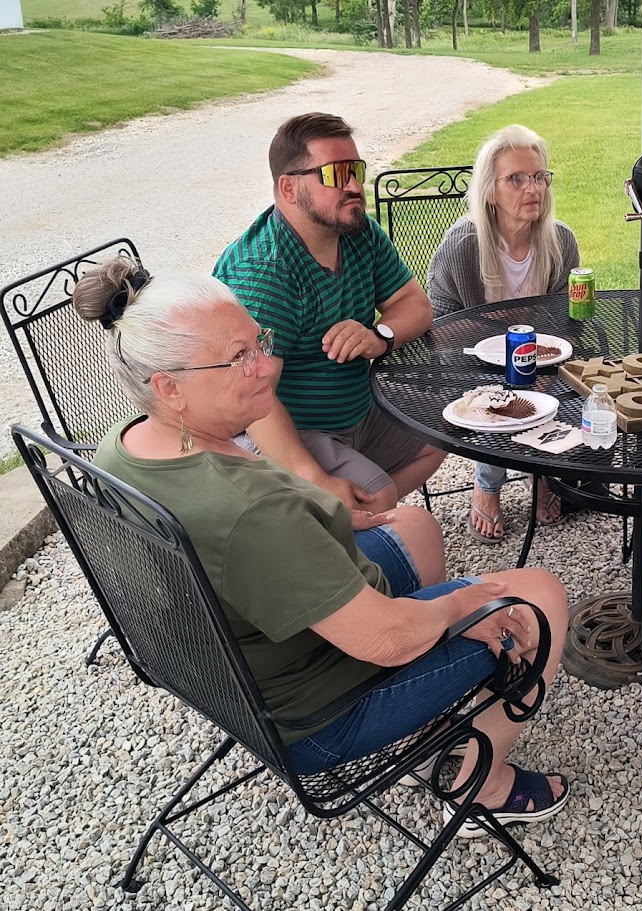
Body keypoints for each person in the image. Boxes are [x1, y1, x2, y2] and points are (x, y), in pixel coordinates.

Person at [74, 259, 571, 836]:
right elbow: (386, 639)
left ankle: (425, 723)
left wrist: (320, 521)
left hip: (239, 663)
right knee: (540, 595)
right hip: (316, 714)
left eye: (258, 342)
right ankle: (481, 789)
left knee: (413, 525)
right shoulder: (251, 511)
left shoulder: (127, 444)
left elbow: (256, 544)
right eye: (239, 358)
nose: (266, 366)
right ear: (169, 386)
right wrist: (461, 608)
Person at [214, 112, 445, 516]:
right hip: (287, 429)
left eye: (356, 170)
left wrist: (380, 336)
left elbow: (415, 304)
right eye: (336, 174)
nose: (354, 186)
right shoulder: (266, 272)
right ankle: (340, 526)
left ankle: (338, 524)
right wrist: (315, 478)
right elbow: (252, 397)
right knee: (375, 495)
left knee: (439, 433)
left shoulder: (358, 232)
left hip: (358, 411)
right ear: (288, 187)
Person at [426, 124, 580, 543]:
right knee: (502, 389)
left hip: (543, 359)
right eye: (516, 179)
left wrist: (528, 349)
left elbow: (566, 322)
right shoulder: (462, 245)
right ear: (490, 191)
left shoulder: (561, 241)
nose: (533, 189)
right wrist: (511, 328)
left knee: (557, 383)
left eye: (539, 177)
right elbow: (439, 330)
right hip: (470, 367)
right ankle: (488, 484)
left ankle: (542, 472)